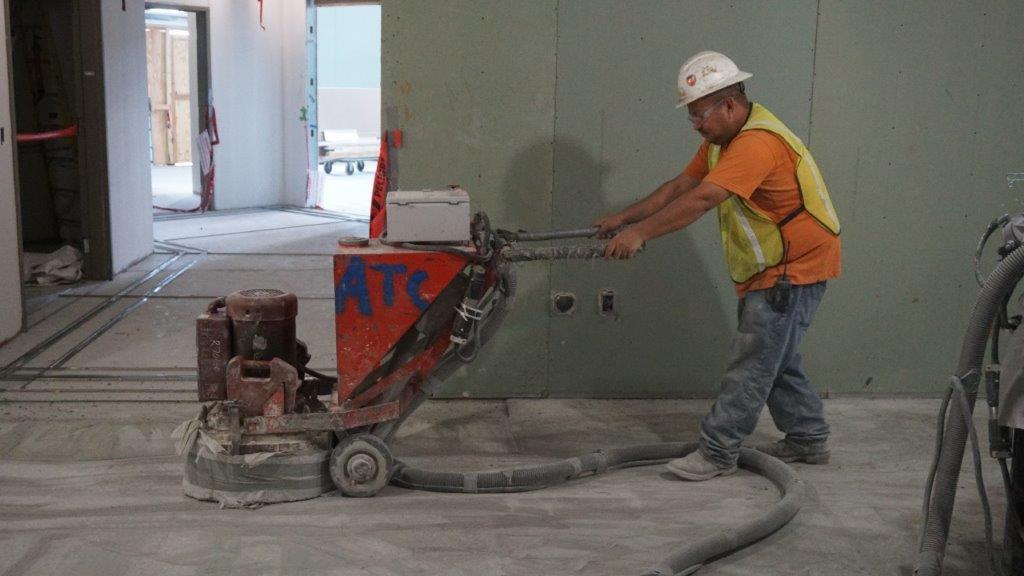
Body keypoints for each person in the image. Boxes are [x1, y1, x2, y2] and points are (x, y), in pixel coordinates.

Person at [594, 51, 842, 481]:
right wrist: (624, 219)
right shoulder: (721, 143)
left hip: (793, 266)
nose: (694, 124)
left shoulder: (756, 144)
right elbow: (680, 186)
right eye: (691, 115)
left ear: (728, 104)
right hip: (776, 264)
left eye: (698, 114)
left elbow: (703, 199)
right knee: (776, 355)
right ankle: (808, 437)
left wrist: (641, 234)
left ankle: (717, 450)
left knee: (754, 359)